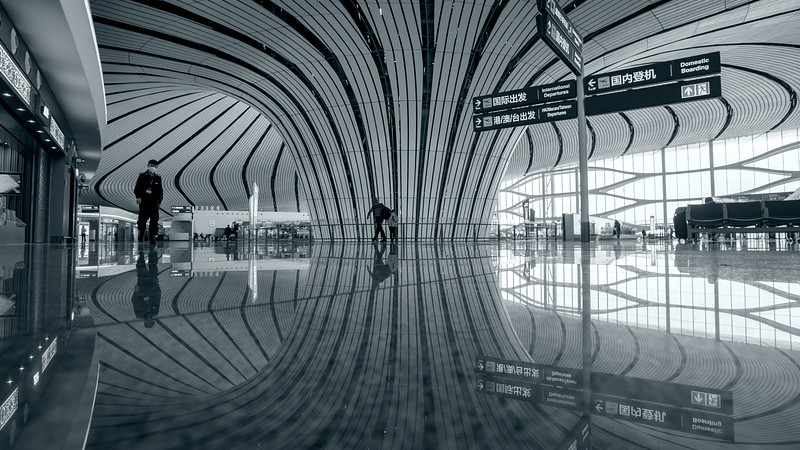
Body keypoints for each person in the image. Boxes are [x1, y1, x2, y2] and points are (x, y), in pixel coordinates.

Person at [134, 159, 163, 245]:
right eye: (151, 165)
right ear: (148, 166)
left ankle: (152, 236)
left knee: (154, 219)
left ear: (157, 167)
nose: (153, 167)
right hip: (144, 201)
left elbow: (160, 190)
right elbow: (137, 188)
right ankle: (142, 233)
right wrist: (138, 197)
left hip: (154, 202)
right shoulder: (142, 176)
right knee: (142, 219)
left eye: (155, 166)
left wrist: (159, 202)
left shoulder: (158, 177)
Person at [131, 246, 161, 328]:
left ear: (144, 321)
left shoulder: (139, 313)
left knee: (141, 267)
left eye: (148, 321)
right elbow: (158, 297)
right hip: (152, 285)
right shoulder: (154, 311)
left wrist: (136, 292)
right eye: (151, 320)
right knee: (153, 266)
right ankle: (152, 251)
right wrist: (157, 286)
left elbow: (134, 301)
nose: (149, 319)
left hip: (142, 287)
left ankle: (141, 253)